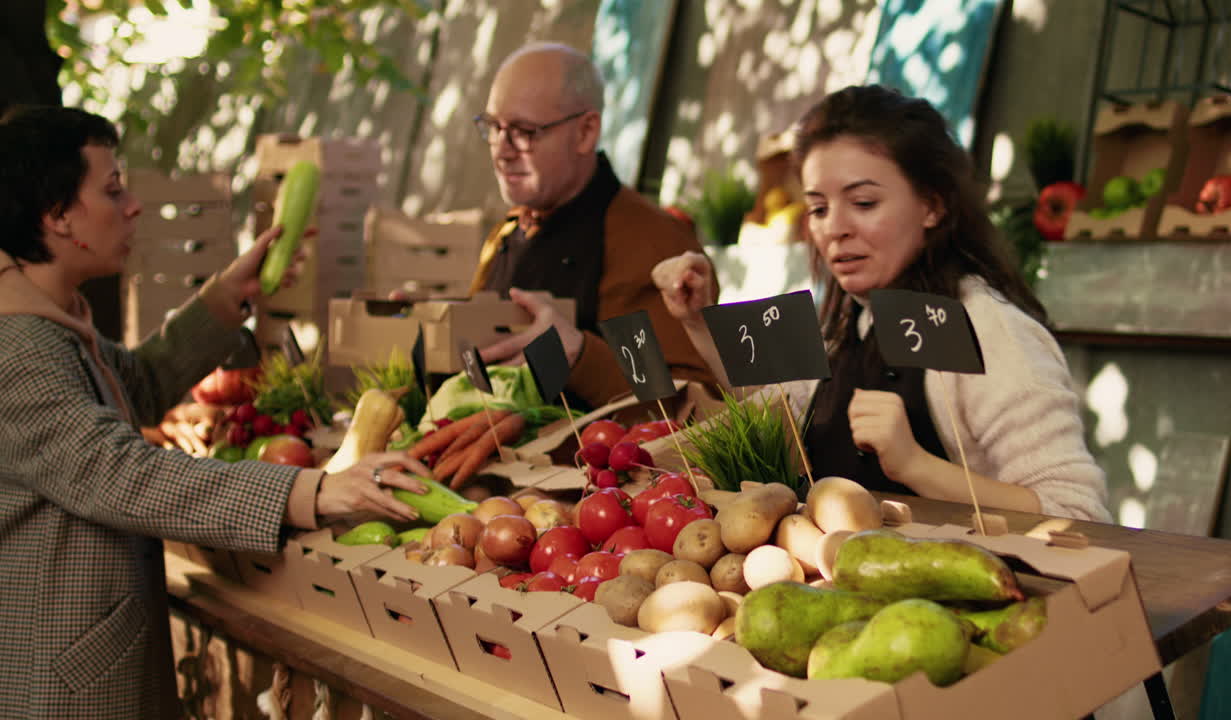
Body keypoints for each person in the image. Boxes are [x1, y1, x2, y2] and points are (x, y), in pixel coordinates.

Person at [0, 106, 430, 719]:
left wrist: (228, 298)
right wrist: (309, 492)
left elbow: (136, 384)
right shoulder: (16, 348)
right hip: (61, 692)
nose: (133, 206)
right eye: (113, 189)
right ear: (58, 215)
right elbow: (119, 473)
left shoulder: (51, 320)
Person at [654, 85, 1110, 522]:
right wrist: (699, 320)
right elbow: (776, 408)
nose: (835, 228)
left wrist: (917, 465)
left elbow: (1077, 514)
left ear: (932, 206)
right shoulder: (848, 320)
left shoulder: (991, 330)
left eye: (864, 202)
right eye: (819, 209)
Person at [468, 42, 717, 408]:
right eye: (493, 127)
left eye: (524, 131)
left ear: (586, 132)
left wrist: (579, 355)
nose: (502, 151)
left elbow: (689, 404)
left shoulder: (651, 245)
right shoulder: (507, 231)